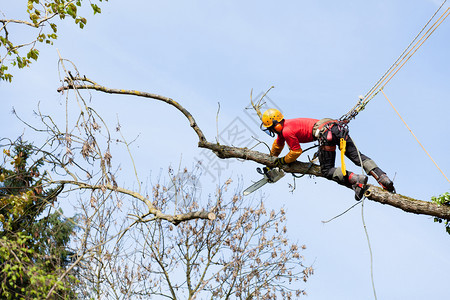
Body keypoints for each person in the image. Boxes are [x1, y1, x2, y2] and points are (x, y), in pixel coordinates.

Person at [260, 108, 395, 199]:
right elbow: (277, 145)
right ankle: (382, 177)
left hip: (326, 135)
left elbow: (295, 152)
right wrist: (271, 161)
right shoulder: (287, 127)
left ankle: (356, 179)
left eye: (271, 128)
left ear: (276, 124)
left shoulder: (286, 131)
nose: (272, 131)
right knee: (357, 156)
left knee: (327, 170)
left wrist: (281, 161)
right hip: (336, 129)